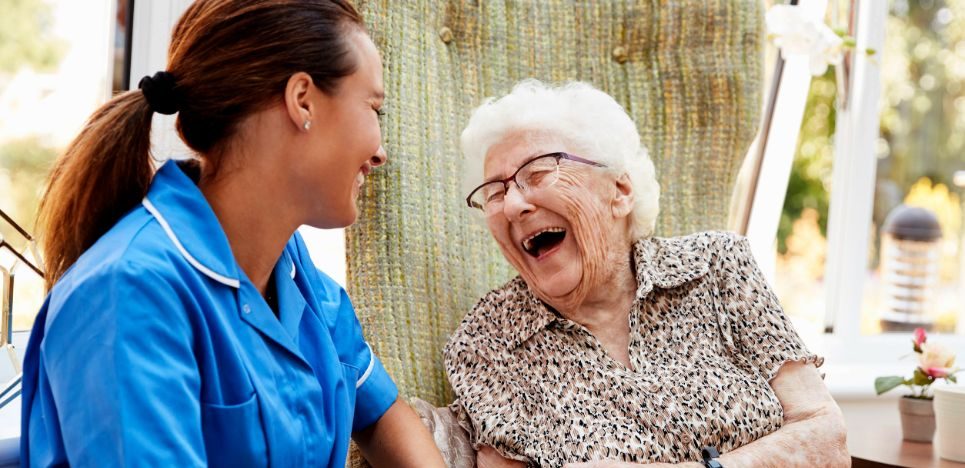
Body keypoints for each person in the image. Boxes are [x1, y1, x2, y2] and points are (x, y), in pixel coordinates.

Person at [20, 1, 445, 466]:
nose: (380, 152)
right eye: (373, 108)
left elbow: (381, 413)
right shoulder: (127, 293)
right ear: (302, 100)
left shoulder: (292, 271)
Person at [444, 80, 849, 468]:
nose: (513, 205)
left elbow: (825, 437)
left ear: (619, 191)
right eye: (495, 193)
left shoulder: (717, 266)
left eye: (538, 173)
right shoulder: (487, 342)